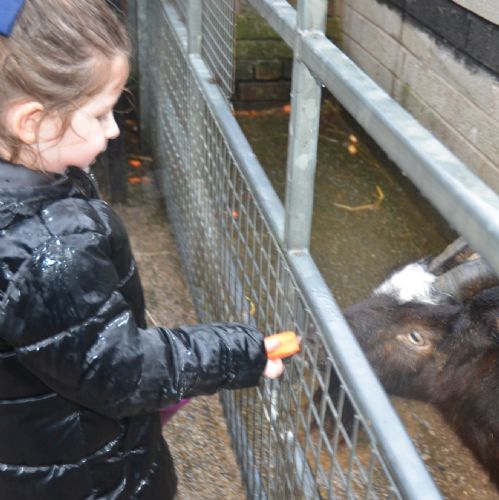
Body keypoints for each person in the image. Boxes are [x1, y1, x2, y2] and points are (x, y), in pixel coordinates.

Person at [0, 1, 284, 498]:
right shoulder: (48, 247)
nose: (113, 129)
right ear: (31, 122)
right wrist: (236, 352)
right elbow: (120, 371)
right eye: (99, 114)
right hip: (85, 475)